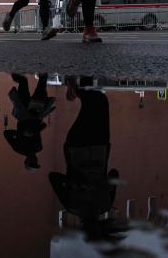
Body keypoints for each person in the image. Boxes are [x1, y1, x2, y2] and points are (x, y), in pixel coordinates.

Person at [49, 76, 120, 239]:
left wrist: (76, 180)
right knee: (100, 101)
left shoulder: (76, 206)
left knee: (96, 104)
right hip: (86, 148)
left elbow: (114, 175)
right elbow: (114, 174)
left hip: (86, 149)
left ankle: (75, 86)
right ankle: (78, 85)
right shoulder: (97, 206)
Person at [4, 73, 56, 170]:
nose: (35, 161)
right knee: (42, 84)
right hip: (36, 114)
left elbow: (6, 133)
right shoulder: (38, 148)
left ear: (26, 161)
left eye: (32, 163)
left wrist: (21, 134)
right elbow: (37, 131)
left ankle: (14, 69)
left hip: (23, 113)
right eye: (35, 163)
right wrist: (35, 130)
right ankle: (42, 65)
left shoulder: (19, 148)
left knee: (23, 83)